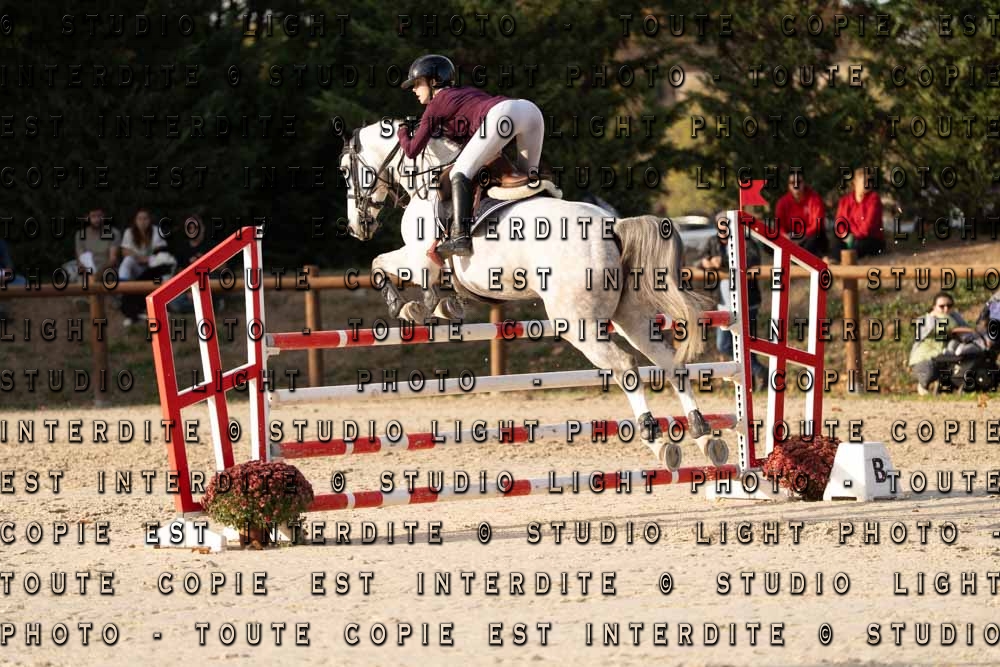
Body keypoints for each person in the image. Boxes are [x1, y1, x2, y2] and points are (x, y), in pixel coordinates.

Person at [397, 54, 545, 259]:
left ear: (433, 81)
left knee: (459, 172)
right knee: (527, 182)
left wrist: (402, 132)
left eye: (417, 83)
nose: (414, 90)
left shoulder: (436, 104)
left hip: (502, 114)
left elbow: (412, 150)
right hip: (530, 111)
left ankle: (460, 238)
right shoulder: (466, 92)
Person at [699, 226, 768, 391]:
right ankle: (758, 370)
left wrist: (722, 261)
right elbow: (698, 260)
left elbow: (751, 261)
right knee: (723, 345)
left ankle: (753, 375)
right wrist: (705, 262)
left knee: (747, 344)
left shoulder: (747, 241)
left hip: (747, 304)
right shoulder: (712, 241)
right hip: (724, 305)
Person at [119, 208, 177, 326]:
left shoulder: (156, 231)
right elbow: (125, 251)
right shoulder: (129, 232)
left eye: (145, 218)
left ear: (150, 220)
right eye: (140, 219)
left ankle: (158, 305)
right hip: (137, 265)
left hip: (152, 266)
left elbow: (160, 250)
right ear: (135, 220)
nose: (142, 221)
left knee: (161, 265)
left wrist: (148, 259)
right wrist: (140, 258)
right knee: (127, 261)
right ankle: (123, 290)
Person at [908, 292, 975, 395]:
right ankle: (923, 385)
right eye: (942, 306)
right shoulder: (925, 320)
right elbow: (948, 327)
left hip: (946, 358)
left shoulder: (955, 317)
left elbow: (968, 333)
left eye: (949, 306)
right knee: (928, 371)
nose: (946, 309)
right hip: (924, 358)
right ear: (934, 307)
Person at [833, 166, 886, 259]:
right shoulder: (845, 201)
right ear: (855, 183)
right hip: (849, 237)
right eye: (865, 182)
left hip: (869, 238)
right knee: (837, 244)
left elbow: (867, 228)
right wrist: (845, 234)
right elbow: (839, 223)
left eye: (869, 181)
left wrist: (852, 234)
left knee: (860, 245)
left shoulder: (874, 199)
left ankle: (849, 257)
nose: (868, 184)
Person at [775, 173, 827, 257]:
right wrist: (785, 236)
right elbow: (779, 226)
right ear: (788, 185)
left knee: (816, 237)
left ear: (804, 183)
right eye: (792, 182)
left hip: (810, 235)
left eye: (799, 182)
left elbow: (817, 224)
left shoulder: (814, 199)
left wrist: (800, 236)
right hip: (791, 237)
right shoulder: (782, 202)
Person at [74, 206, 121, 278]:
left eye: (99, 216)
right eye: (93, 216)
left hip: (107, 270)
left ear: (104, 216)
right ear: (87, 218)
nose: (97, 219)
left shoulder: (114, 233)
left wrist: (98, 274)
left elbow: (113, 259)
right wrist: (85, 270)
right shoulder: (80, 235)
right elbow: (80, 258)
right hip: (88, 271)